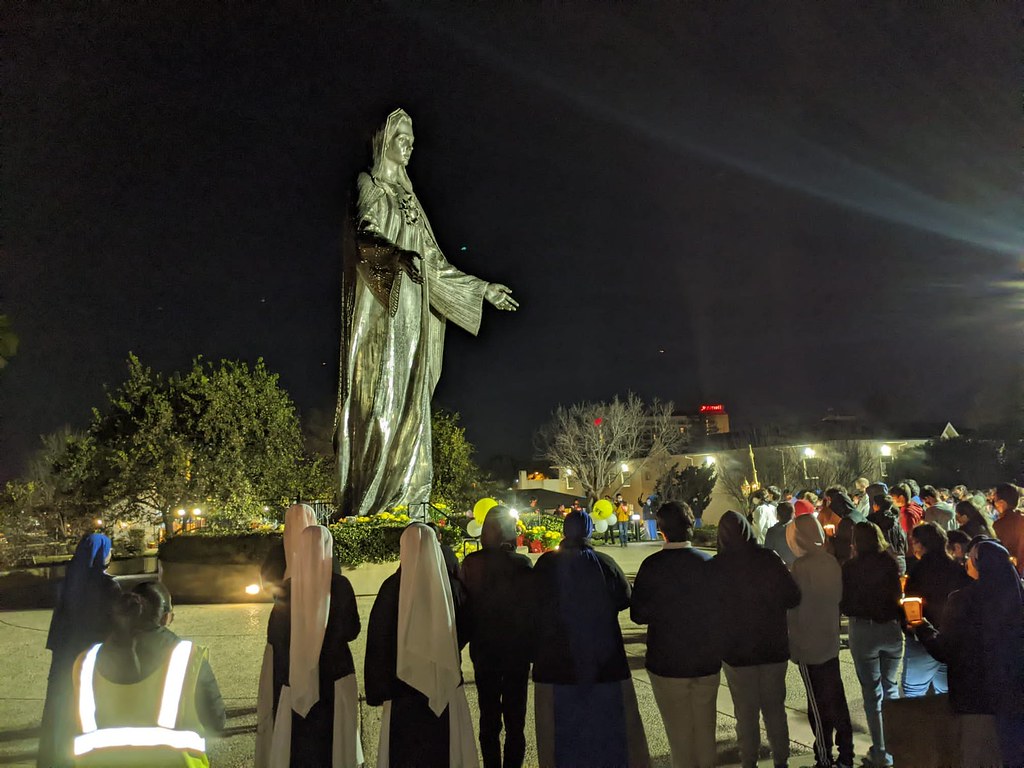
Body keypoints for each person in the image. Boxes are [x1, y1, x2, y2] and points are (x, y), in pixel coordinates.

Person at [334, 108, 517, 517]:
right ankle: (374, 503)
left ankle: (409, 501)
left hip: (414, 315)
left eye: (412, 140)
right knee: (382, 398)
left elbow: (433, 261)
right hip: (382, 310)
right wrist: (395, 255)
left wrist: (482, 289)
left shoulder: (410, 198)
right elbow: (364, 235)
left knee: (412, 404)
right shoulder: (369, 184)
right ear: (384, 140)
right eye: (402, 138)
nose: (409, 145)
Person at [531, 511, 649, 767]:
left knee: (561, 740)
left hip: (555, 665)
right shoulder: (605, 563)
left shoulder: (546, 564)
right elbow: (624, 598)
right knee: (607, 734)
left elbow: (532, 603)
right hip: (604, 663)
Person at [70, 585, 225, 767]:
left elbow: (68, 722)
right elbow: (216, 722)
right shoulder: (188, 657)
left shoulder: (86, 660)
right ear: (166, 617)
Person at [365, 523, 477, 767]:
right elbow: (467, 627)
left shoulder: (390, 588)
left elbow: (378, 640)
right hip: (444, 687)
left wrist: (377, 689)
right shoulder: (451, 587)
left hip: (401, 691)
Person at [258, 526, 362, 768]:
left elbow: (275, 635)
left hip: (295, 674)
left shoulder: (288, 587)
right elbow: (352, 630)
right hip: (335, 673)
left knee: (299, 743)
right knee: (334, 743)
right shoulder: (340, 585)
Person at [914, 539, 1024, 767]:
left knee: (977, 758)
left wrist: (921, 627)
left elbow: (945, 649)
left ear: (980, 564)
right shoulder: (1017, 597)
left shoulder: (963, 600)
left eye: (971, 558)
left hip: (975, 700)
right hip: (1014, 699)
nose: (966, 562)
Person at [631, 502, 719, 768]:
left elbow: (638, 614)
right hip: (706, 658)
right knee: (706, 731)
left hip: (666, 660)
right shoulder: (709, 564)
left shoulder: (651, 566)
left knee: (678, 734)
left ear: (662, 530)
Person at [710, 511, 800, 768]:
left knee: (745, 712)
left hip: (736, 651)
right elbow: (793, 597)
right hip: (773, 646)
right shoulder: (769, 559)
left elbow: (709, 608)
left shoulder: (717, 565)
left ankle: (749, 761)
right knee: (775, 709)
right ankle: (781, 760)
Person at [39, 533, 121, 768]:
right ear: (101, 553)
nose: (110, 554)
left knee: (61, 706)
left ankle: (56, 757)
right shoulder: (108, 586)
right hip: (94, 657)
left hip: (64, 655)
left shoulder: (67, 584)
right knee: (89, 709)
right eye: (108, 550)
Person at [461, 507, 533, 768]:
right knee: (515, 719)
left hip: (484, 650)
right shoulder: (522, 564)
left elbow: (464, 608)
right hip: (516, 650)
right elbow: (532, 607)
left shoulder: (471, 563)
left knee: (488, 717)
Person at [786, 514, 854, 768]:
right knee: (836, 697)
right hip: (829, 639)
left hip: (808, 643)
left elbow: (794, 605)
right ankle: (846, 754)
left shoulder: (800, 567)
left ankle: (824, 758)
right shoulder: (830, 561)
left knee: (817, 704)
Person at [841, 522, 903, 767]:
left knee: (872, 693)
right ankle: (897, 747)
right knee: (891, 688)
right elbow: (897, 595)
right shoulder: (889, 563)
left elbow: (844, 604)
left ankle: (880, 750)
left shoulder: (850, 568)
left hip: (864, 630)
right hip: (890, 629)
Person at [901, 522, 971, 697]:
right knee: (947, 691)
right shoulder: (958, 569)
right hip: (953, 639)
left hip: (923, 639)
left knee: (914, 691)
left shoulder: (918, 571)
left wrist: (909, 627)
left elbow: (911, 606)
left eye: (914, 542)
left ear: (920, 544)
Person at [867, 494, 908, 575]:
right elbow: (904, 544)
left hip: (880, 564)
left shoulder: (871, 521)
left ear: (876, 505)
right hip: (900, 562)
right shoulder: (898, 521)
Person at [824, 488, 864, 565]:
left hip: (850, 560)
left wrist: (830, 536)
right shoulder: (858, 514)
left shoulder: (847, 521)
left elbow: (843, 544)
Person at [992, 483, 1024, 576]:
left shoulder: (1001, 525)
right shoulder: (1021, 518)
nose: (994, 504)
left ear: (1002, 503)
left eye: (995, 500)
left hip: (1012, 571)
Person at [764, 501, 797, 567]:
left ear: (777, 516)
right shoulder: (800, 528)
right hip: (800, 568)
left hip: (781, 569)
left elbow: (768, 554)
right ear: (793, 514)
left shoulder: (772, 532)